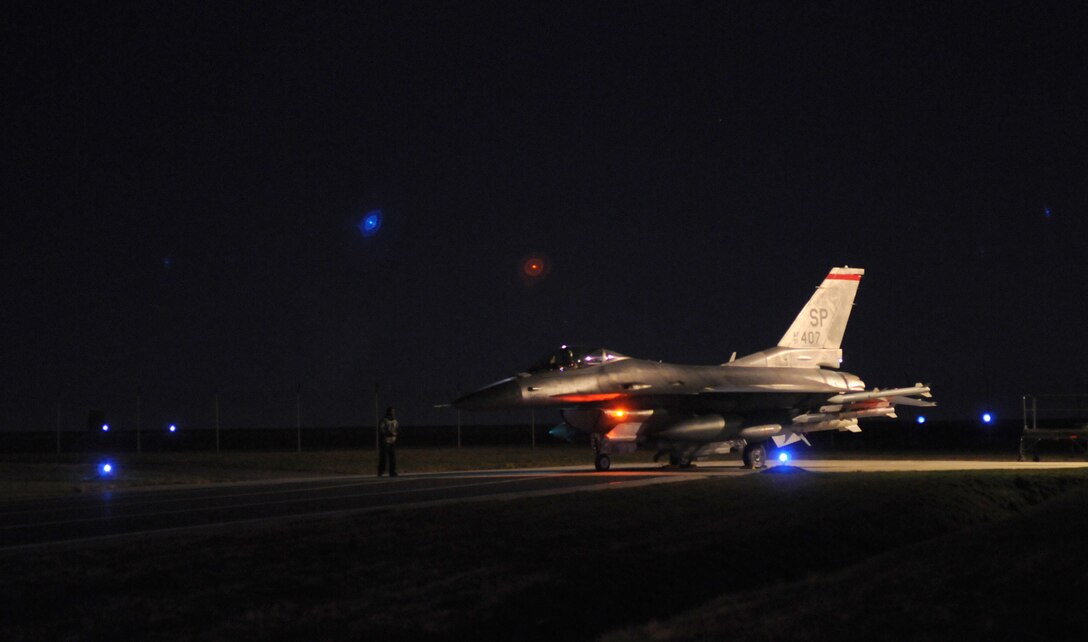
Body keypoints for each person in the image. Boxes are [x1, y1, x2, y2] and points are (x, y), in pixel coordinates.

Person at [377, 406, 399, 477]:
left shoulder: (395, 421)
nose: (393, 413)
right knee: (383, 458)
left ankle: (392, 472)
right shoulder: (384, 420)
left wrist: (395, 434)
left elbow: (396, 429)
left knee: (393, 458)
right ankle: (381, 472)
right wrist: (387, 433)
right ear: (388, 412)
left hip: (392, 441)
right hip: (385, 441)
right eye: (391, 411)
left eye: (393, 411)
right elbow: (381, 429)